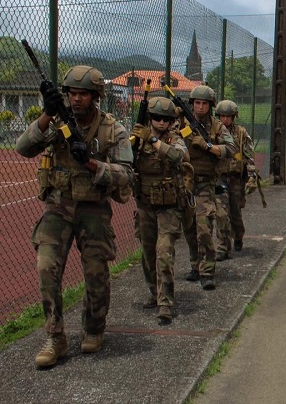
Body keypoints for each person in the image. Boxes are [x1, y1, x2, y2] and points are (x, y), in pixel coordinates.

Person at [16, 66, 134, 368]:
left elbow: (126, 174)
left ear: (96, 96)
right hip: (58, 206)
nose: (77, 99)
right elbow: (23, 148)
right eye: (72, 93)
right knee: (46, 267)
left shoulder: (112, 129)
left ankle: (93, 327)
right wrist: (46, 113)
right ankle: (55, 337)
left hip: (94, 209)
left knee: (96, 272)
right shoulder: (56, 123)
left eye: (83, 94)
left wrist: (92, 163)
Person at [131, 97, 188, 325]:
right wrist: (133, 143)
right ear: (149, 118)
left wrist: (153, 139)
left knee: (164, 253)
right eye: (156, 118)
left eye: (166, 119)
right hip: (145, 204)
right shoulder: (137, 139)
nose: (161, 122)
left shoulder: (175, 139)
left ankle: (165, 302)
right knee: (147, 253)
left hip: (168, 206)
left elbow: (176, 156)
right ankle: (154, 293)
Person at [182, 85, 235, 290]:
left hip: (205, 183)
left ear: (210, 105)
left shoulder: (217, 127)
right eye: (197, 103)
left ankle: (207, 271)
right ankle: (195, 266)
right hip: (185, 183)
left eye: (204, 103)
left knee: (204, 228)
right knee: (189, 228)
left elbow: (230, 149)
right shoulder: (183, 124)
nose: (200, 107)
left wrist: (209, 147)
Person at [214, 99, 257, 259]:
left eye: (228, 116)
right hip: (219, 178)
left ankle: (238, 236)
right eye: (222, 116)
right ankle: (222, 247)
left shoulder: (241, 133)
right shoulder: (213, 132)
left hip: (236, 179)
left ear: (233, 117)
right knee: (221, 213)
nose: (225, 119)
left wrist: (252, 177)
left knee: (235, 214)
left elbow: (249, 156)